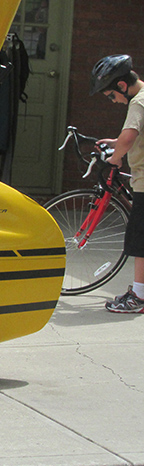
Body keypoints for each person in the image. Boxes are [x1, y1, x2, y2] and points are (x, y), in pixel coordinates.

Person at [91, 54, 144, 312]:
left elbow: (130, 136)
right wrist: (117, 143)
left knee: (140, 238)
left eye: (111, 96)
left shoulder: (138, 102)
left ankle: (139, 298)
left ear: (122, 86)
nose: (113, 101)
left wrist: (115, 158)